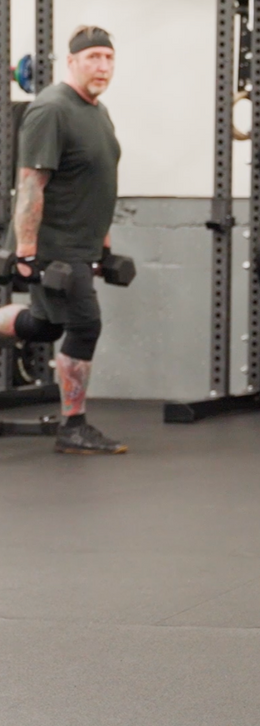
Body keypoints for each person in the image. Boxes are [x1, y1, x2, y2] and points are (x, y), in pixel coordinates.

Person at [0, 25, 126, 454]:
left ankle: (73, 423)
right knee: (85, 324)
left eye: (108, 58)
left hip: (81, 244)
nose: (103, 66)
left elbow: (99, 182)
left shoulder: (98, 111)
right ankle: (73, 425)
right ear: (70, 62)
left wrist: (103, 246)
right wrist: (26, 254)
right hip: (52, 246)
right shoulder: (51, 109)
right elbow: (31, 185)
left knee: (45, 325)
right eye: (92, 57)